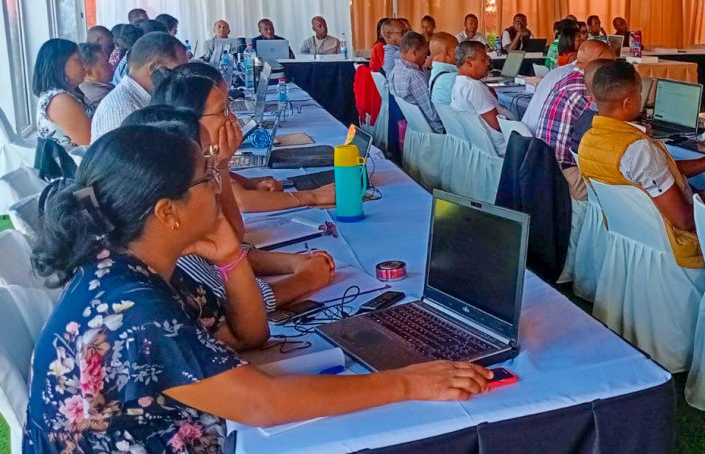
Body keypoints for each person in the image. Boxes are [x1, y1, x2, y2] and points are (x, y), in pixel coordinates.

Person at [25, 126, 492, 453]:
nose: (219, 187)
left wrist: (231, 256)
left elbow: (250, 336)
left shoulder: (128, 267)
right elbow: (262, 404)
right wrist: (408, 381)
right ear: (167, 212)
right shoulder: (133, 309)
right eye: (207, 178)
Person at [127, 94, 335, 314]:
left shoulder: (176, 215)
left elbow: (226, 249)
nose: (232, 118)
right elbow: (234, 308)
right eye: (222, 110)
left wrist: (293, 263)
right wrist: (306, 279)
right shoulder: (171, 246)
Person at [578, 60, 705, 269]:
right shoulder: (638, 150)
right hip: (674, 248)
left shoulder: (588, 140)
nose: (642, 99)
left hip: (630, 238)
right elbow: (683, 221)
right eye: (640, 94)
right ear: (628, 103)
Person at [162, 62, 336, 214]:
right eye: (222, 110)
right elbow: (240, 202)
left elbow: (230, 182)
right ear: (190, 118)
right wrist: (312, 196)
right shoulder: (182, 167)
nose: (233, 118)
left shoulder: (201, 154)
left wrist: (252, 184)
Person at [535, 40, 615, 200]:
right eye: (610, 65)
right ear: (597, 64)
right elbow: (604, 140)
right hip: (567, 176)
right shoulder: (586, 91)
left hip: (547, 169)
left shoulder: (567, 80)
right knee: (630, 188)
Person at [91, 32, 188, 139]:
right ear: (154, 68)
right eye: (179, 72)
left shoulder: (143, 98)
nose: (183, 78)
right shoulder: (121, 109)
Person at [451, 41, 512, 156]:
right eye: (483, 60)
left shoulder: (458, 84)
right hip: (503, 147)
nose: (488, 63)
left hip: (481, 146)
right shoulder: (474, 87)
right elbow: (497, 125)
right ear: (469, 63)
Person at [33, 39, 91, 149]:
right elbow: (89, 143)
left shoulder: (64, 94)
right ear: (59, 64)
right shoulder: (60, 100)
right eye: (78, 60)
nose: (84, 65)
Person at [390, 32, 443, 133]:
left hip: (415, 127)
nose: (426, 57)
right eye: (425, 53)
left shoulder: (396, 71)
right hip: (434, 130)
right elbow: (433, 114)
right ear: (414, 52)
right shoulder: (413, 76)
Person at [77, 42, 115, 107]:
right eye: (105, 64)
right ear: (88, 71)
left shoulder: (99, 88)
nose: (111, 66)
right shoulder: (99, 97)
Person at [428, 32, 459, 106]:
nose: (461, 53)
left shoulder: (434, 74)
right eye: (458, 48)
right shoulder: (454, 79)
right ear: (447, 53)